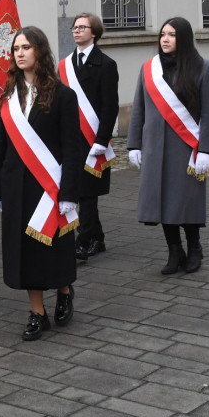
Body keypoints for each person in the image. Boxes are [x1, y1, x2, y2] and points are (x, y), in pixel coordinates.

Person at [0, 26, 80, 340]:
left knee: (53, 248)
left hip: (49, 187)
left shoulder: (63, 95)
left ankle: (64, 290)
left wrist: (69, 191)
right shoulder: (8, 97)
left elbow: (71, 147)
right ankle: (37, 312)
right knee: (24, 253)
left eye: (26, 47)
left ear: (40, 51)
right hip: (16, 187)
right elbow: (0, 145)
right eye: (16, 49)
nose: (20, 53)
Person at [127, 17, 209, 274]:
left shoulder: (203, 68)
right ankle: (174, 250)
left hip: (186, 148)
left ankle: (195, 248)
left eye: (172, 35)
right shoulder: (149, 69)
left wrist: (206, 150)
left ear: (184, 39)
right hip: (155, 147)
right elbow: (139, 109)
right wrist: (134, 144)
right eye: (163, 34)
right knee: (161, 201)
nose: (165, 39)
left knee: (185, 201)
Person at [58, 13, 119, 261]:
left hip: (93, 139)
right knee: (75, 188)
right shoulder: (64, 65)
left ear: (94, 32)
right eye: (75, 27)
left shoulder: (106, 64)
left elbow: (110, 107)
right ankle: (97, 238)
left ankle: (83, 242)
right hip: (70, 137)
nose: (77, 31)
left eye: (82, 27)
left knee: (87, 193)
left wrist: (102, 141)